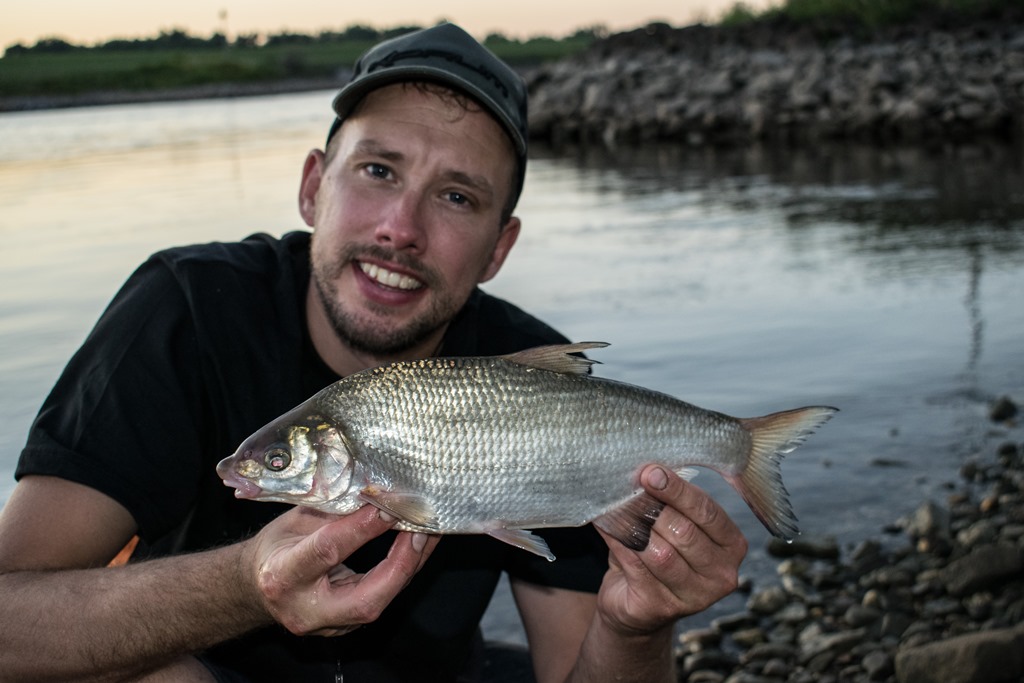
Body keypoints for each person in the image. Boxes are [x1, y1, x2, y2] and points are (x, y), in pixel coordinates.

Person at [0, 23, 747, 683]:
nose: (400, 227)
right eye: (379, 170)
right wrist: (243, 584)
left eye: (457, 196)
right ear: (312, 187)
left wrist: (636, 623)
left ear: (499, 248)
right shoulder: (185, 310)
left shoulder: (533, 374)